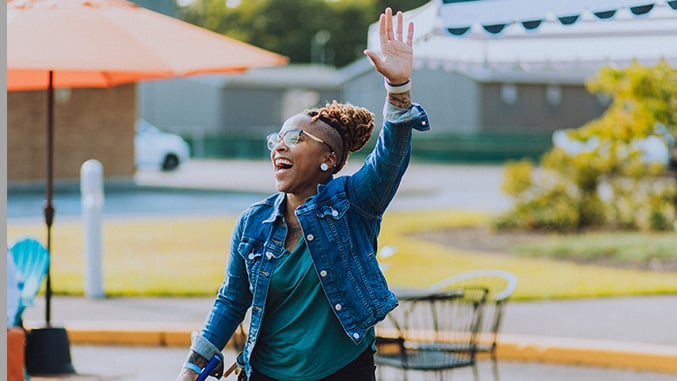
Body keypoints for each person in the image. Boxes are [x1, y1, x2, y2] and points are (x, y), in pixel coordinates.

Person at [176, 7, 429, 381]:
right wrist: (193, 365)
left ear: (329, 159)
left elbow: (389, 157)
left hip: (342, 371)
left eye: (294, 138)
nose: (279, 147)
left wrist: (398, 90)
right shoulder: (253, 223)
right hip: (266, 373)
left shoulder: (354, 204)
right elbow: (231, 300)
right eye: (275, 140)